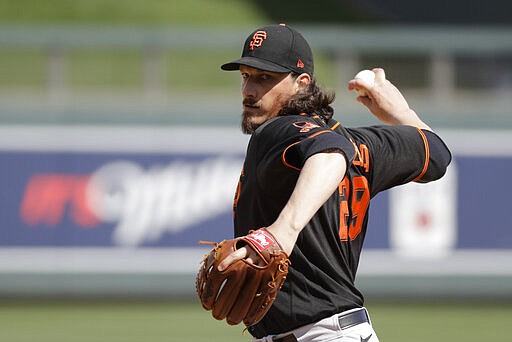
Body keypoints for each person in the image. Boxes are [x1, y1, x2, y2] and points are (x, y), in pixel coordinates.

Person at [217, 24, 452, 342]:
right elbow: (436, 153)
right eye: (246, 75)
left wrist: (283, 230)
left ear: (301, 84)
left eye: (264, 78)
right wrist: (402, 113)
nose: (248, 90)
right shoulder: (364, 144)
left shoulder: (277, 131)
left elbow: (330, 152)